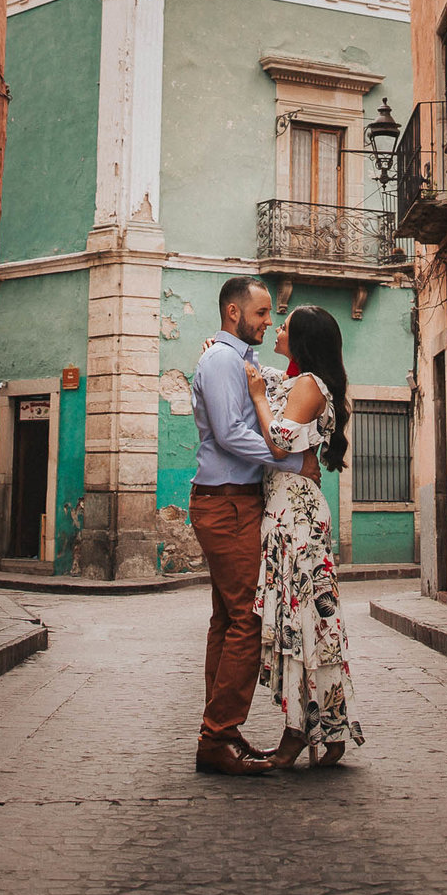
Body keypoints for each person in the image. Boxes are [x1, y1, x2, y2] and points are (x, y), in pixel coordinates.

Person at [188, 274, 305, 776]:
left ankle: (220, 730)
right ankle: (217, 737)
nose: (268, 321)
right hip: (226, 503)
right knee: (246, 620)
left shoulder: (242, 361)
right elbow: (231, 432)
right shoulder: (220, 360)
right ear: (234, 313)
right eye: (261, 313)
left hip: (236, 501)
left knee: (226, 618)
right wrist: (292, 461)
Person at [246, 304, 363, 769]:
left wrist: (257, 398)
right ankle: (327, 731)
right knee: (306, 624)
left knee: (304, 626)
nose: (277, 328)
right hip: (286, 514)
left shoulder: (310, 386)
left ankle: (298, 734)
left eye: (286, 326)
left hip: (296, 517)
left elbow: (277, 441)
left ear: (302, 339)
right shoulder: (300, 381)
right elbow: (263, 374)